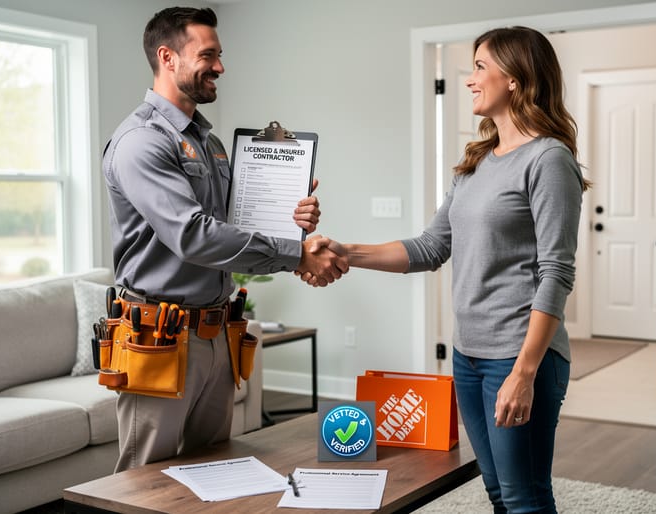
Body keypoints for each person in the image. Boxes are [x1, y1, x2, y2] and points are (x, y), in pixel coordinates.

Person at [303, 27, 588, 513]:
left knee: (525, 497)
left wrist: (524, 372)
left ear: (515, 77)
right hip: (468, 355)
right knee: (498, 491)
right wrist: (344, 250)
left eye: (480, 67)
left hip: (518, 356)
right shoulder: (477, 162)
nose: (471, 80)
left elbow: (556, 272)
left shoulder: (548, 159)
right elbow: (431, 246)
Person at [103, 6, 347, 472]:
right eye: (208, 55)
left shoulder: (210, 143)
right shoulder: (141, 141)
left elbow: (234, 224)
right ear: (167, 57)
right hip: (159, 335)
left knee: (214, 471)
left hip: (217, 332)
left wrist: (292, 221)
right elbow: (194, 236)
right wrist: (296, 255)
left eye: (219, 55)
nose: (219, 67)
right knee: (143, 483)